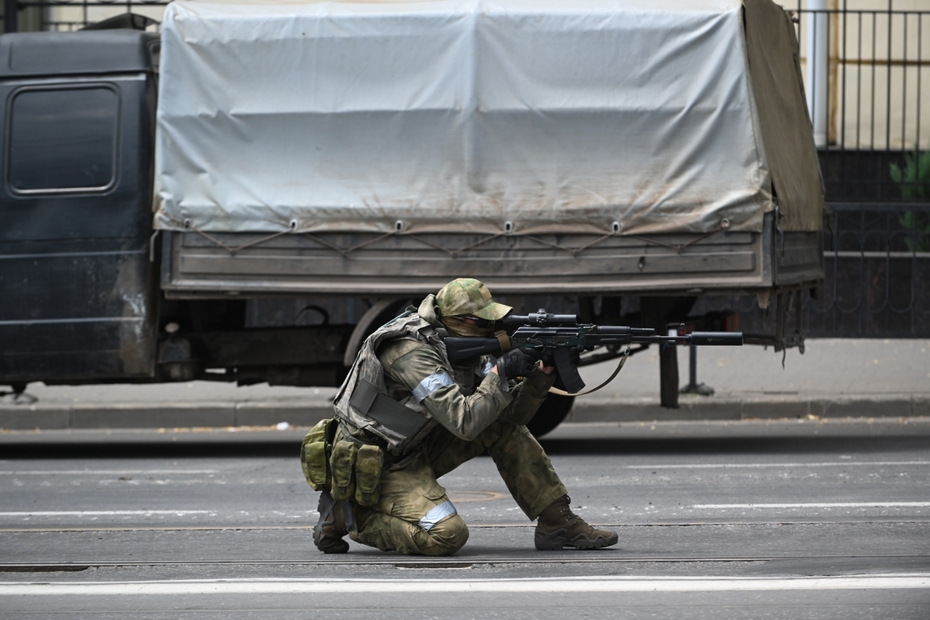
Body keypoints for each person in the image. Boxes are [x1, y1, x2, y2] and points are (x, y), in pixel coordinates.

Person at [301, 277, 617, 555]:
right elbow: (464, 423)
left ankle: (557, 523)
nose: (494, 330)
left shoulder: (461, 346)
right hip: (378, 465)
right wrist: (500, 372)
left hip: (416, 446)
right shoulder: (411, 352)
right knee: (446, 535)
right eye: (484, 323)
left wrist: (539, 376)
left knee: (503, 427)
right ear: (462, 321)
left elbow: (512, 418)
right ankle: (352, 517)